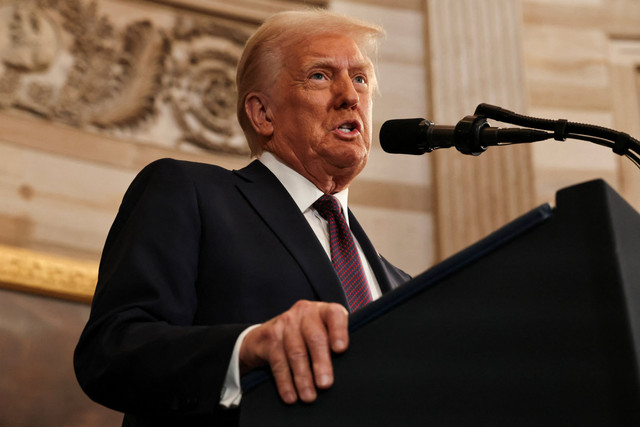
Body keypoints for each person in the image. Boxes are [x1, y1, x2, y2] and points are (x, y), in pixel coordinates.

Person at [74, 9, 410, 426]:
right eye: (320, 76)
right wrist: (246, 347)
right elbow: (111, 351)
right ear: (262, 114)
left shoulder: (401, 286)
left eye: (360, 78)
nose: (349, 95)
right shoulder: (190, 194)